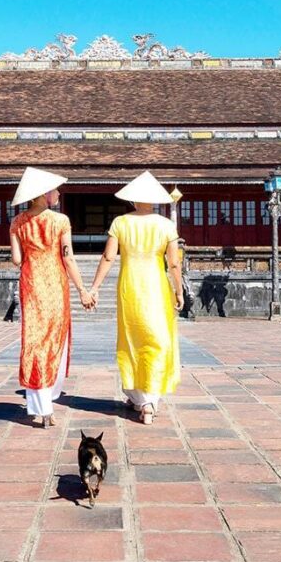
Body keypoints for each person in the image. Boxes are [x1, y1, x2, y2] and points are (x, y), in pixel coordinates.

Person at [89, 171, 184, 425]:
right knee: (156, 340)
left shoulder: (121, 223)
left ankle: (137, 396)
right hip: (156, 288)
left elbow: (108, 257)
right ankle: (148, 402)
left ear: (133, 199)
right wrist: (179, 290)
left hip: (129, 287)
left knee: (132, 340)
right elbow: (174, 263)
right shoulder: (166, 225)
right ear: (155, 199)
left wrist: (95, 287)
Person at [9, 167, 93, 427]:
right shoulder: (60, 221)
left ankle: (41, 406)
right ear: (43, 194)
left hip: (31, 285)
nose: (58, 194)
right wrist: (82, 289)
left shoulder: (18, 222)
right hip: (55, 285)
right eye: (55, 190)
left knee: (34, 340)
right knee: (54, 338)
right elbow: (68, 257)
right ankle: (48, 399)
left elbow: (17, 259)